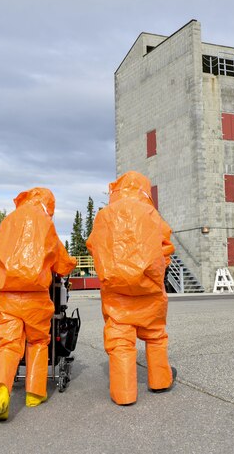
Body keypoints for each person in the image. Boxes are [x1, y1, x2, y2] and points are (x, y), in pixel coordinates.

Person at [0, 187, 76, 421]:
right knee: (37, 341)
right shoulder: (44, 222)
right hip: (35, 297)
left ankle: (1, 392)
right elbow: (59, 259)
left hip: (7, 297)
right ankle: (35, 393)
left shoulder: (8, 221)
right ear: (47, 205)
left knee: (8, 345)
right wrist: (70, 263)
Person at [86, 171, 177, 405]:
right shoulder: (151, 214)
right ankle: (160, 381)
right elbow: (166, 246)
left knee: (120, 341)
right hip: (149, 290)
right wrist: (156, 271)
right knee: (155, 336)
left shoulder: (104, 215)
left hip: (116, 293)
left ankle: (124, 393)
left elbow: (93, 245)